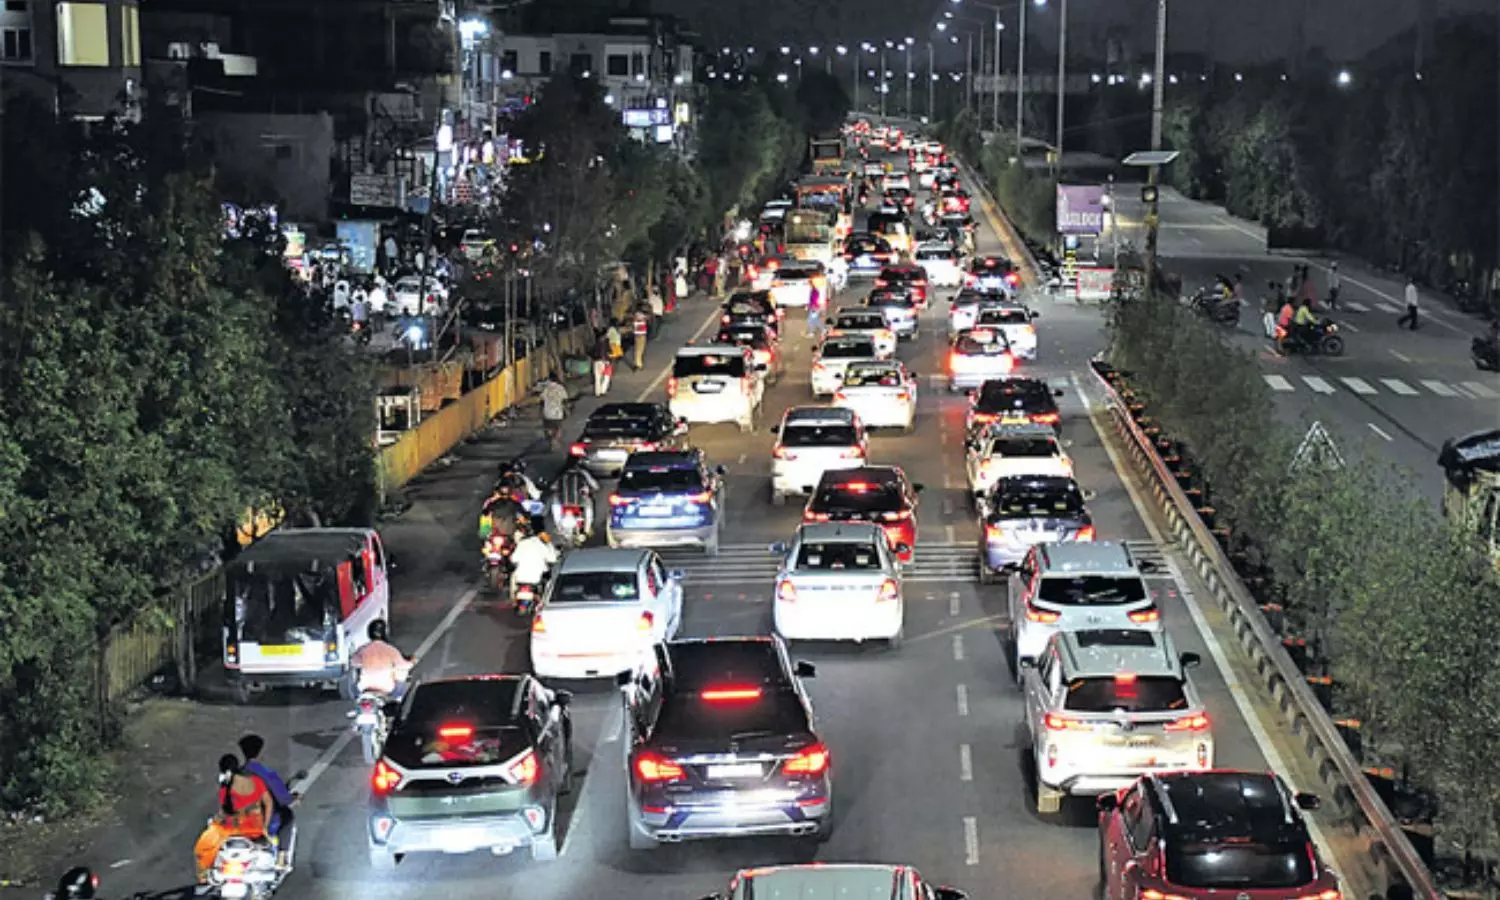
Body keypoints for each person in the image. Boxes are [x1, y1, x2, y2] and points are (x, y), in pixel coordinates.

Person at [194, 754, 274, 885]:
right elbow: (268, 802)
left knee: (202, 848)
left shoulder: (226, 787)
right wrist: (265, 827)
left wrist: (215, 822)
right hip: (254, 829)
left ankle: (204, 877)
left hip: (233, 830)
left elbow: (224, 812)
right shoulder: (256, 781)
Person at [238, 735, 297, 869]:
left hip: (238, 820)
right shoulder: (268, 774)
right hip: (262, 820)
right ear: (260, 753)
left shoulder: (236, 774)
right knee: (288, 815)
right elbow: (283, 799)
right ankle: (281, 858)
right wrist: (294, 798)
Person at [351, 620, 414, 700]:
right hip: (387, 688)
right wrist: (412, 661)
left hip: (364, 686)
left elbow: (353, 662)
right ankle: (397, 700)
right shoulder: (391, 650)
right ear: (385, 633)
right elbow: (404, 665)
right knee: (402, 672)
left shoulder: (363, 649)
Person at [548, 462, 600, 542]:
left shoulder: (562, 473)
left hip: (564, 502)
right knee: (589, 507)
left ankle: (559, 526)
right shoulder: (582, 473)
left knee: (555, 503)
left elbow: (552, 486)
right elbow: (595, 486)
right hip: (578, 502)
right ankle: (587, 528)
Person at [509, 528, 558, 600]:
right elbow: (553, 559)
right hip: (536, 580)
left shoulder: (522, 543)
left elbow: (513, 559)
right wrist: (550, 545)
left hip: (521, 579)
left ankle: (514, 600)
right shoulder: (544, 545)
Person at [538, 375, 570, 450]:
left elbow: (542, 401)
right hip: (558, 412)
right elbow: (565, 400)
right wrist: (566, 409)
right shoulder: (560, 388)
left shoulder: (546, 388)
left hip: (547, 412)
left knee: (548, 428)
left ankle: (551, 440)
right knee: (558, 428)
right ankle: (554, 439)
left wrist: (540, 411)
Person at [591, 330, 613, 397]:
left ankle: (597, 393)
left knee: (597, 378)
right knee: (606, 377)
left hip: (596, 362)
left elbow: (591, 352)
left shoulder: (596, 344)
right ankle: (603, 391)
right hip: (605, 362)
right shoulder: (606, 343)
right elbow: (610, 352)